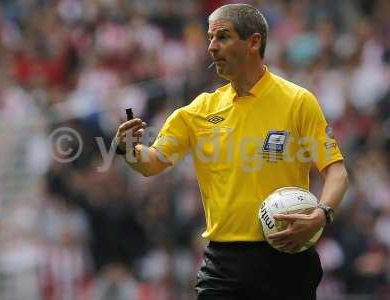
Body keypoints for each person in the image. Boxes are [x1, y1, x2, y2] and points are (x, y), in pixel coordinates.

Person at [113, 3, 348, 300]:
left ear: (253, 42)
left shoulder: (298, 101)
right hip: (224, 265)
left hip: (288, 256)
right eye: (211, 38)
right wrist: (128, 148)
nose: (211, 47)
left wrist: (321, 214)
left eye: (222, 37)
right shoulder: (198, 111)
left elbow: (337, 172)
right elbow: (152, 163)